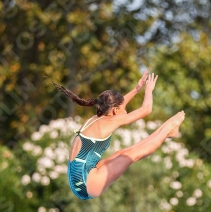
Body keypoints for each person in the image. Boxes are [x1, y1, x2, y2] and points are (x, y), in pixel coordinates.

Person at [53, 71, 185, 200]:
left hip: (78, 179)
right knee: (132, 154)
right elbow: (146, 110)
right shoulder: (110, 121)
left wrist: (136, 89)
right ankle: (168, 129)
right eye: (124, 109)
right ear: (115, 111)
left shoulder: (96, 118)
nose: (126, 111)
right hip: (88, 183)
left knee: (122, 153)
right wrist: (149, 89)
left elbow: (118, 105)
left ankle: (168, 132)